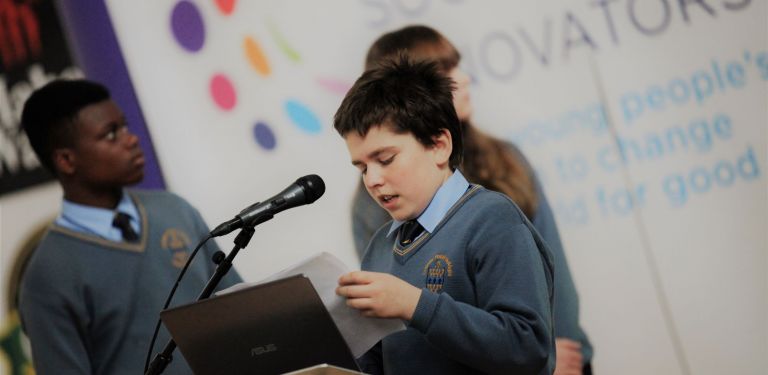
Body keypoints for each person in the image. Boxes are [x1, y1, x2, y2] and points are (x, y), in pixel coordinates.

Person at [350, 25, 593, 375]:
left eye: (457, 67)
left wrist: (555, 352)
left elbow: (552, 271)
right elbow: (392, 319)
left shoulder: (503, 164)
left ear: (440, 145)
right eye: (444, 71)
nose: (462, 79)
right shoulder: (378, 208)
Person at [17, 79, 242, 375]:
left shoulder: (175, 211)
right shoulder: (48, 274)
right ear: (66, 160)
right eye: (111, 134)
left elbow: (241, 310)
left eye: (124, 126)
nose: (130, 139)